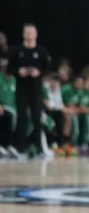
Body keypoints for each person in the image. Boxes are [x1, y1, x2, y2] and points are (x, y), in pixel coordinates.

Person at [8, 24, 52, 159]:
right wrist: (18, 72)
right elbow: (10, 69)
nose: (29, 35)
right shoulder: (16, 50)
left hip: (35, 90)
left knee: (37, 119)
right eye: (27, 33)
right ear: (23, 34)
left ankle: (39, 147)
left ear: (36, 34)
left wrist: (39, 72)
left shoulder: (41, 51)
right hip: (21, 90)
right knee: (22, 119)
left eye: (31, 33)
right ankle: (20, 147)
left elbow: (48, 69)